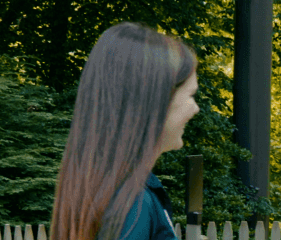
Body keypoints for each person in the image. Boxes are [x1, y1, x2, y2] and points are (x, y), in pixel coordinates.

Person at [51, 23, 200, 240]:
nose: (195, 109)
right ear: (155, 101)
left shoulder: (113, 191)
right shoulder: (133, 204)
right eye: (190, 95)